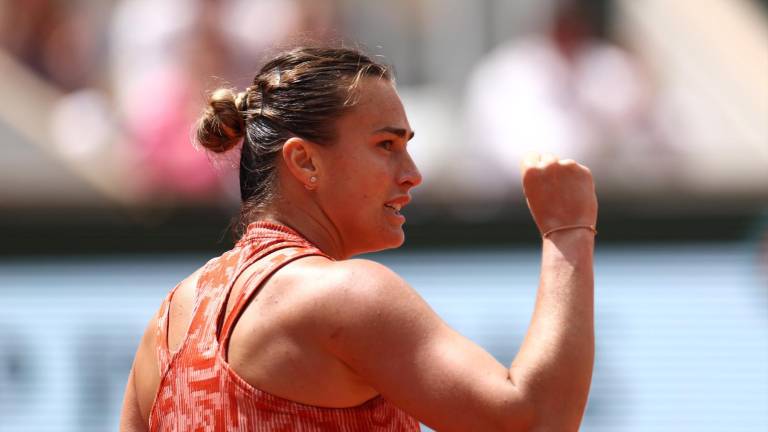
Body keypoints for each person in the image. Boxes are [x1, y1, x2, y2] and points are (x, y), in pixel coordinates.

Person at [119, 46, 598, 431]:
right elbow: (534, 421)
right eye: (386, 146)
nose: (412, 174)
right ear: (305, 161)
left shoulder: (165, 325)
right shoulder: (346, 297)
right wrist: (568, 232)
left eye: (407, 147)